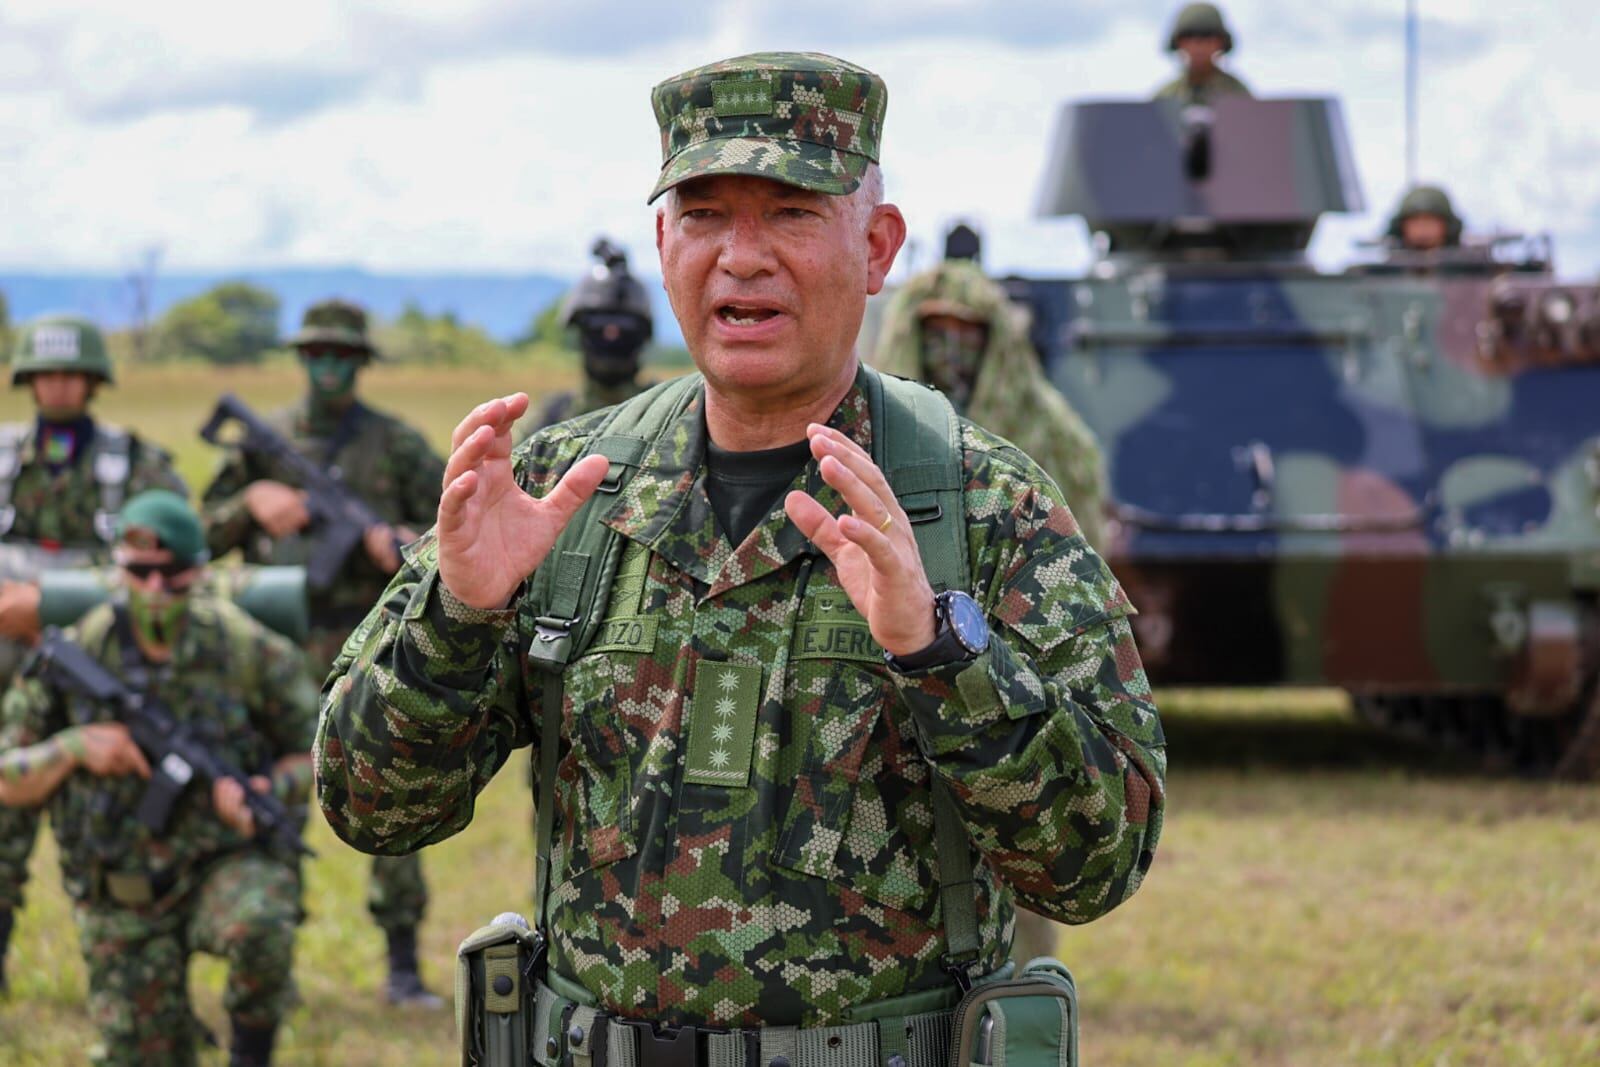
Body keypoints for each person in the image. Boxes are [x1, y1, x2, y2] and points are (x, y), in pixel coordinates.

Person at [318, 50, 1165, 1051]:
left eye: (793, 213)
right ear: (664, 238)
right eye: (707, 214)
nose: (742, 256)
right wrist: (457, 616)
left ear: (877, 246)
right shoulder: (564, 486)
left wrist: (945, 656)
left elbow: (1094, 862)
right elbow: (368, 805)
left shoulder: (982, 505)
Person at [0, 490, 314, 1065]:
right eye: (140, 574)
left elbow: (315, 753)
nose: (154, 591)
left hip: (221, 866)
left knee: (262, 922)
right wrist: (73, 748)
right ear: (119, 570)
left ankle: (251, 1054)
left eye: (171, 575)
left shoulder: (244, 648)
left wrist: (267, 791)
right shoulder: (80, 648)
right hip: (122, 898)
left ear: (197, 572)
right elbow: (6, 778)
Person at [199, 298, 445, 1007]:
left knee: (394, 795)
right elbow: (195, 540)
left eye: (343, 356)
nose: (329, 368)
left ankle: (401, 963)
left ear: (361, 364)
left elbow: (449, 532)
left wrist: (395, 539)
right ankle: (267, 960)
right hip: (270, 651)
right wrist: (253, 503)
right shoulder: (260, 444)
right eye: (317, 355)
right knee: (266, 801)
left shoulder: (395, 444)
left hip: (366, 650)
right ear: (301, 359)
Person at [0, 314, 186, 994]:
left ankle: (136, 983)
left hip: (101, 679)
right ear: (27, 379)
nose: (58, 385)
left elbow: (175, 558)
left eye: (71, 373)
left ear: (93, 380)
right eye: (46, 373)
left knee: (120, 835)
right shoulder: (3, 456)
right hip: (8, 680)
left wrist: (44, 603)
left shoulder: (135, 464)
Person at [872, 258, 1108, 550]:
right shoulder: (874, 420)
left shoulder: (1047, 430)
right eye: (938, 333)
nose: (952, 350)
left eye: (966, 333)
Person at [513, 238, 655, 442]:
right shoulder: (548, 421)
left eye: (624, 328)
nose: (611, 336)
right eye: (598, 327)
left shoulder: (673, 414)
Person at [1155, 3, 1252, 105]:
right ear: (1179, 43)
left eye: (1207, 35)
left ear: (1220, 42)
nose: (1199, 44)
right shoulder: (1166, 96)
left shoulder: (1237, 93)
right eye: (1190, 35)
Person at [1388, 184, 1463, 252]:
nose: (1422, 230)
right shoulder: (1387, 264)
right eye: (1415, 223)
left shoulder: (1468, 264)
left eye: (1430, 223)